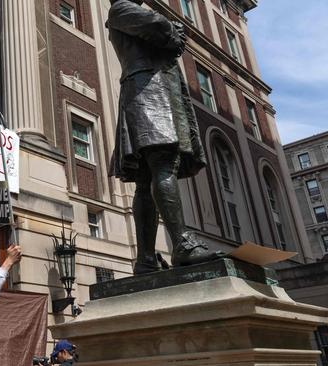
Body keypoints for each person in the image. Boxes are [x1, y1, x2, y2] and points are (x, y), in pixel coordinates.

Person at [107, 0, 223, 274]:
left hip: (151, 91)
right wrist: (173, 30)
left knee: (146, 178)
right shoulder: (121, 8)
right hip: (148, 92)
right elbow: (158, 27)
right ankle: (181, 244)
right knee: (162, 164)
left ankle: (146, 259)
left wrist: (171, 32)